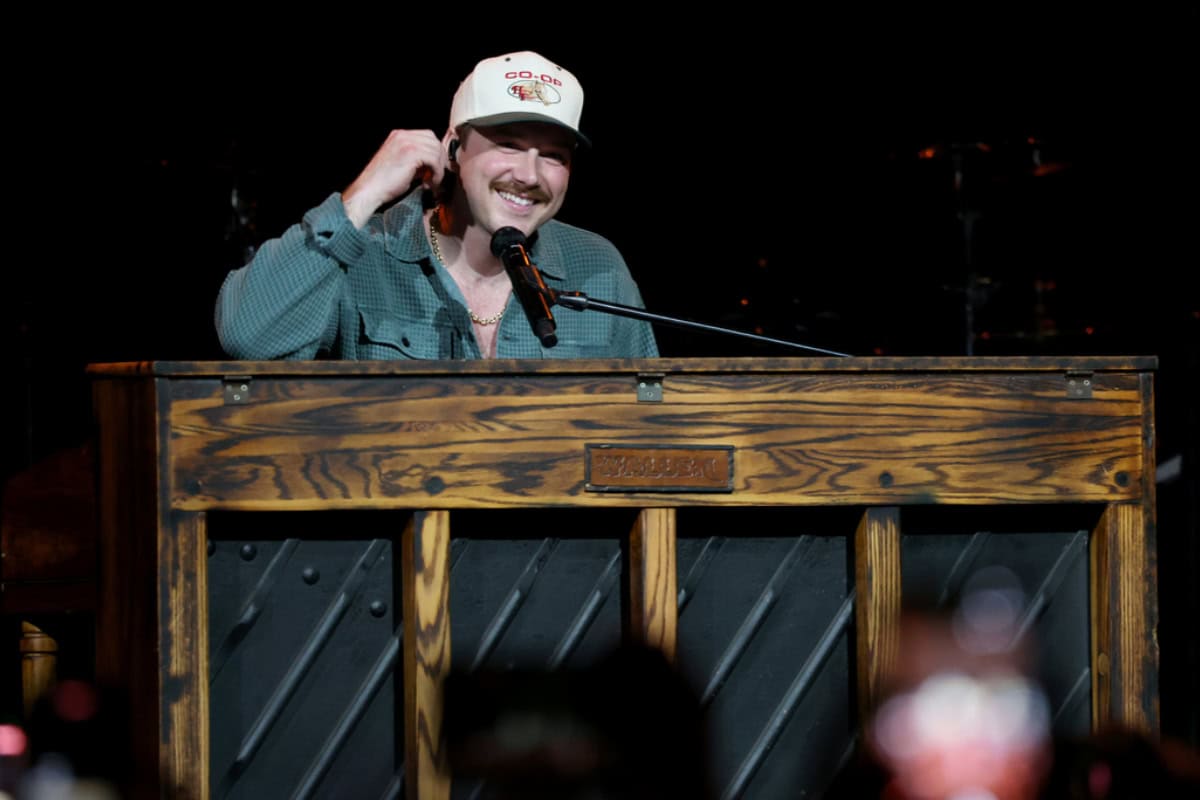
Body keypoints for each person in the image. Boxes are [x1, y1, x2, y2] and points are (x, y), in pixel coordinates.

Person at [215, 50, 659, 361]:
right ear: (453, 150)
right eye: (507, 145)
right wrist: (364, 195)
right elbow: (248, 336)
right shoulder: (366, 253)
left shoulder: (598, 266)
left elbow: (651, 429)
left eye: (553, 156)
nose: (529, 174)